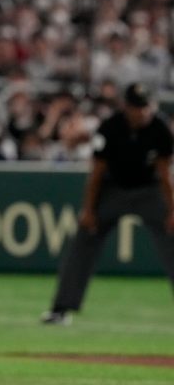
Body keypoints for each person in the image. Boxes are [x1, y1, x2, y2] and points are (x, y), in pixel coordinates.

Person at [42, 83, 174, 325]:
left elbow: (165, 174)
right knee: (84, 239)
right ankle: (61, 308)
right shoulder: (110, 127)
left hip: (149, 190)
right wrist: (89, 210)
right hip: (113, 190)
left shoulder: (160, 129)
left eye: (145, 107)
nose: (141, 113)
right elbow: (97, 172)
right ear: (126, 107)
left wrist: (173, 211)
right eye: (136, 107)